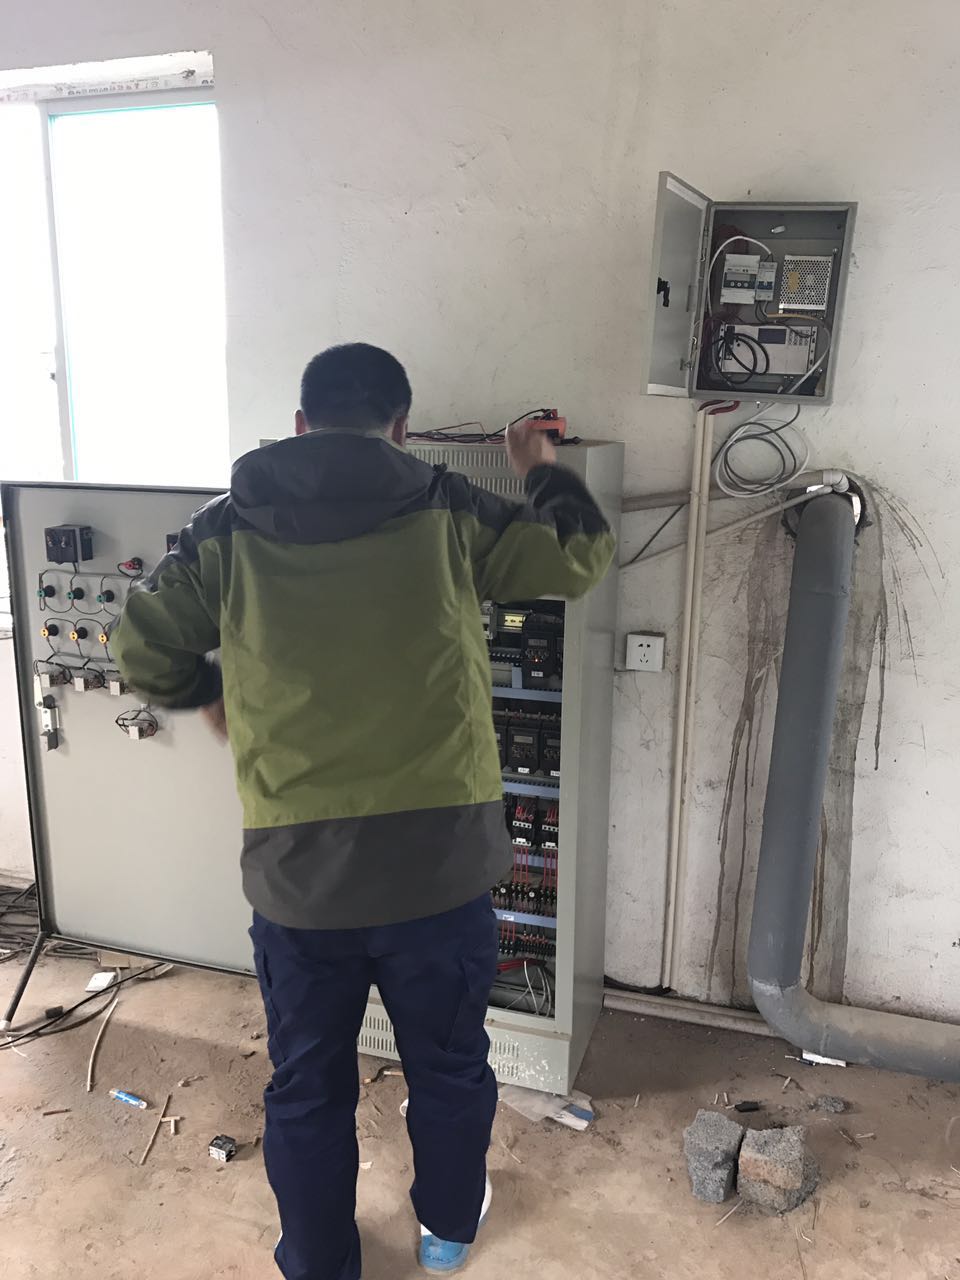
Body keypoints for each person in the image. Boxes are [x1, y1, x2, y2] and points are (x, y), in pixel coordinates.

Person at [111, 343, 615, 1279]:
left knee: (307, 1085)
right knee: (450, 1067)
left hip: (300, 881)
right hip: (439, 872)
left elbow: (138, 646)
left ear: (300, 424)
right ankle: (448, 1235)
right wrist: (539, 463)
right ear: (401, 427)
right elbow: (580, 556)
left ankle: (319, 1261)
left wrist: (210, 694)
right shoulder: (449, 510)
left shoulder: (227, 526)